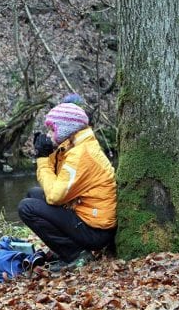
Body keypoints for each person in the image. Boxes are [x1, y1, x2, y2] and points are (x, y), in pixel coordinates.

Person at [17, 99, 117, 271]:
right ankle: (64, 249)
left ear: (66, 128)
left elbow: (55, 196)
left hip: (96, 230)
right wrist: (49, 153)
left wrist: (42, 159)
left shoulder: (80, 155)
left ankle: (76, 255)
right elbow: (58, 181)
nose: (49, 133)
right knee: (33, 194)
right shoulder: (76, 144)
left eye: (52, 129)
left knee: (27, 208)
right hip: (86, 217)